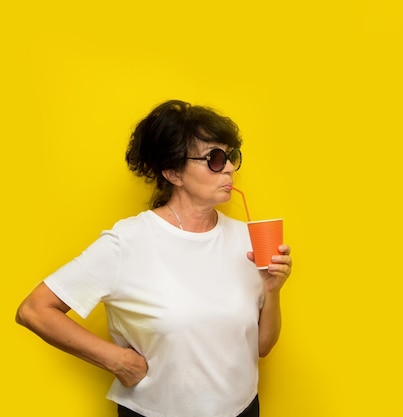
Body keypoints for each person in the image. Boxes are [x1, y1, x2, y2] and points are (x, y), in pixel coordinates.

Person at [15, 99, 292, 417]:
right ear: (174, 173)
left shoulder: (247, 238)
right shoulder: (129, 242)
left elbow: (261, 347)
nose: (229, 167)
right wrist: (116, 360)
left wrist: (272, 290)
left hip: (242, 410)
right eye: (215, 159)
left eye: (232, 156)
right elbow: (34, 310)